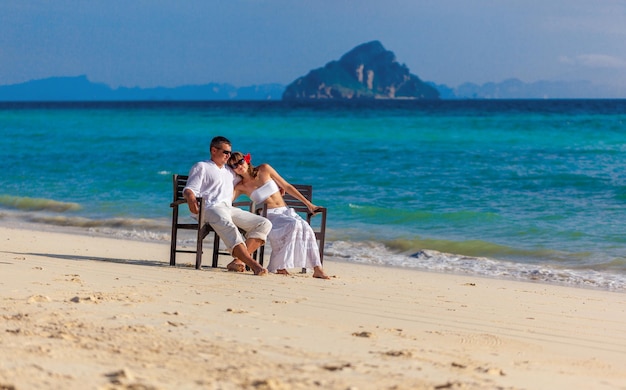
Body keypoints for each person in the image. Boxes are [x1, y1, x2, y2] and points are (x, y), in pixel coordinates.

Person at [228, 151, 330, 279]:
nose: (239, 166)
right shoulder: (240, 186)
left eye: (240, 162)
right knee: (294, 224)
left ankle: (317, 269)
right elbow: (227, 200)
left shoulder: (265, 169)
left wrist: (309, 204)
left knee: (305, 227)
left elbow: (286, 186)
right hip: (269, 215)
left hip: (285, 211)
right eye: (234, 166)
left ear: (246, 160)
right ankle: (279, 266)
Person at [183, 136, 270, 275]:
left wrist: (275, 186)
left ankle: (238, 262)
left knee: (264, 223)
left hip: (228, 208)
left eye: (230, 152)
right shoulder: (202, 167)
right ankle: (254, 265)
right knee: (228, 225)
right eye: (225, 152)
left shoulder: (230, 171)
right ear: (213, 150)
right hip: (209, 208)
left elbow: (249, 173)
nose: (228, 155)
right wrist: (190, 198)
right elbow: (189, 189)